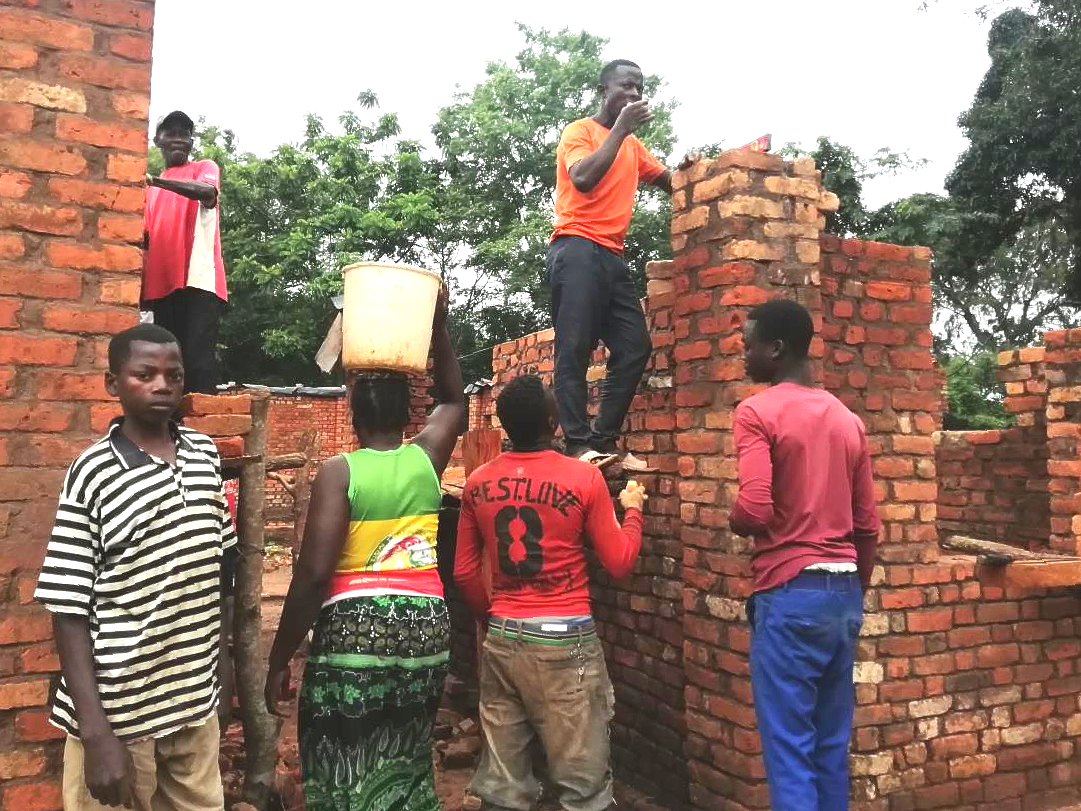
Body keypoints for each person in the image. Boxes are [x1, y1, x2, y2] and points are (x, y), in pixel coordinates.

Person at [264, 290, 465, 811]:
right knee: (406, 749)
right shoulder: (427, 460)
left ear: (353, 417)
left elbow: (311, 576)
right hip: (427, 626)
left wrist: (279, 658)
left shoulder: (340, 472)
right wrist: (439, 324)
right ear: (407, 417)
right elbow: (455, 401)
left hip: (357, 630)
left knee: (342, 752)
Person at [35, 323, 237, 811]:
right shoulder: (93, 473)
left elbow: (221, 570)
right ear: (112, 385)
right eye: (144, 374)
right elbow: (67, 609)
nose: (162, 385)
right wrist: (96, 732)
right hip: (117, 715)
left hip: (192, 703)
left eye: (174, 374)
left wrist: (223, 668)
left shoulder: (205, 455)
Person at [454, 373, 646, 811]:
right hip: (566, 641)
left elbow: (465, 572)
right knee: (582, 787)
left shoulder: (479, 483)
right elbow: (619, 562)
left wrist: (495, 615)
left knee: (503, 788)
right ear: (553, 420)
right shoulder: (583, 479)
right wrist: (633, 512)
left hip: (504, 637)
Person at [729, 299, 880, 811]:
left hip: (790, 595)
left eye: (749, 344)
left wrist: (733, 518)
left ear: (777, 349)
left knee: (790, 751)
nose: (743, 353)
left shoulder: (756, 412)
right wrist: (853, 594)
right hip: (841, 594)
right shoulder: (847, 419)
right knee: (829, 746)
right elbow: (868, 526)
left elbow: (753, 507)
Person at [548, 59, 693, 471]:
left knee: (634, 346)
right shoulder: (581, 132)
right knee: (574, 348)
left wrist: (703, 173)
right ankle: (577, 446)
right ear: (603, 91)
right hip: (575, 248)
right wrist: (621, 129)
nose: (633, 95)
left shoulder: (631, 145)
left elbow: (669, 181)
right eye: (625, 87)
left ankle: (603, 441)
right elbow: (583, 179)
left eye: (639, 88)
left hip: (612, 256)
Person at [143, 110, 227, 394]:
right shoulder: (149, 192)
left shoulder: (204, 167)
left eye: (184, 134)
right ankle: (172, 432)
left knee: (198, 365)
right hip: (161, 289)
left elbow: (206, 192)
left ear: (191, 140)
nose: (178, 139)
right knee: (168, 367)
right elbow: (145, 240)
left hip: (199, 282)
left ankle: (201, 434)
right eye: (171, 133)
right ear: (158, 140)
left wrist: (156, 181)